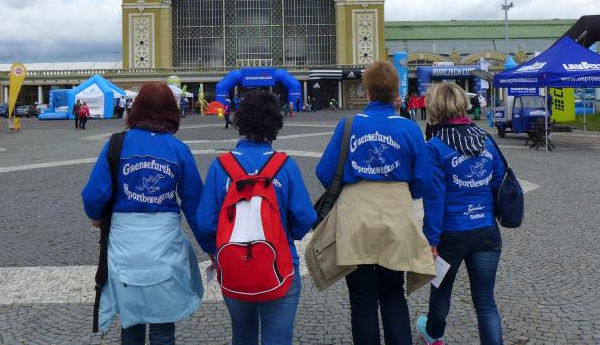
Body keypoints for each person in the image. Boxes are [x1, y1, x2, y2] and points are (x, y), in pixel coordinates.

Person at [315, 61, 435, 345]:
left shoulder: (348, 125)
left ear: (366, 92)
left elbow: (325, 173)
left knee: (362, 299)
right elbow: (423, 182)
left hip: (355, 217)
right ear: (396, 93)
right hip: (396, 215)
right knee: (393, 293)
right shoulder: (409, 128)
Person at [81, 82, 209, 345]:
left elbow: (94, 194)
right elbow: (195, 203)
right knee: (163, 326)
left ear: (136, 108)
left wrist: (97, 216)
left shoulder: (116, 144)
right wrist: (211, 246)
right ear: (171, 110)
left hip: (125, 244)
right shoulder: (178, 150)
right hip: (164, 245)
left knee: (132, 320)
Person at [197, 90, 316, 345]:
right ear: (276, 124)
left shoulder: (221, 166)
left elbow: (205, 223)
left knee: (243, 336)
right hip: (279, 265)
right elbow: (305, 218)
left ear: (240, 122)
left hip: (234, 266)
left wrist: (214, 252)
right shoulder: (285, 165)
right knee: (277, 339)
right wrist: (287, 232)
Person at [416, 82, 506, 345]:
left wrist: (431, 239)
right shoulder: (485, 140)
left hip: (451, 234)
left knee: (441, 289)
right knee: (486, 302)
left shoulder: (434, 147)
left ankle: (434, 334)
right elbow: (499, 181)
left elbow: (434, 198)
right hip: (487, 230)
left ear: (434, 108)